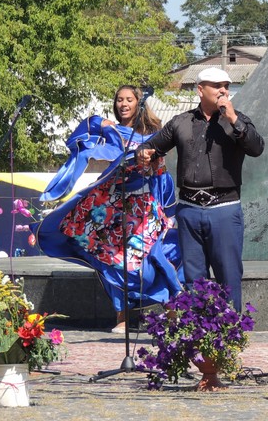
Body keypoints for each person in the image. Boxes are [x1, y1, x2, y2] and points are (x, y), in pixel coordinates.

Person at [32, 85, 181, 333]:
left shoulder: (155, 135)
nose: (124, 104)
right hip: (113, 211)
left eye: (129, 100)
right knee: (113, 262)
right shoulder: (112, 133)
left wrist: (169, 209)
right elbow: (77, 138)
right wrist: (101, 123)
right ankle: (121, 317)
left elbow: (161, 175)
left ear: (138, 103)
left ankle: (172, 310)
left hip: (144, 210)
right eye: (119, 100)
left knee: (154, 258)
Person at [137, 67, 264, 311]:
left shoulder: (238, 120)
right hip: (189, 211)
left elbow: (257, 147)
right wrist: (142, 153)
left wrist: (234, 120)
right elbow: (150, 145)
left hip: (224, 210)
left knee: (229, 274)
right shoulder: (181, 122)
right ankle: (199, 333)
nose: (223, 90)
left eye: (225, 85)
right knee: (194, 278)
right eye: (216, 85)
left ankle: (229, 335)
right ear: (200, 89)